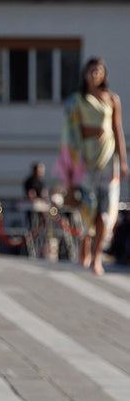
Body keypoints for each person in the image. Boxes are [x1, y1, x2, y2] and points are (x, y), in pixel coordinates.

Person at [59, 58, 128, 275]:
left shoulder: (112, 99)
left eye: (98, 71)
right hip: (86, 158)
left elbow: (118, 129)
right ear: (85, 74)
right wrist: (71, 163)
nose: (94, 74)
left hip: (107, 157)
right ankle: (85, 246)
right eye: (91, 70)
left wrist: (123, 160)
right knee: (87, 206)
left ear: (104, 74)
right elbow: (70, 132)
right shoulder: (77, 100)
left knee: (105, 210)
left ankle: (97, 257)